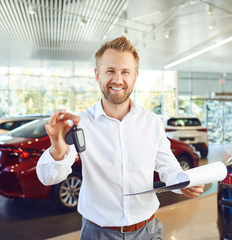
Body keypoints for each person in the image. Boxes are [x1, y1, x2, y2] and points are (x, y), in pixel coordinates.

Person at [36, 36, 204, 239]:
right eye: (110, 71)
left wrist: (184, 183)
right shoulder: (81, 124)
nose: (118, 80)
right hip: (98, 233)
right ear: (97, 75)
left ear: (135, 76)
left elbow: (168, 167)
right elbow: (48, 178)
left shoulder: (151, 122)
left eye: (125, 72)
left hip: (148, 231)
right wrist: (57, 149)